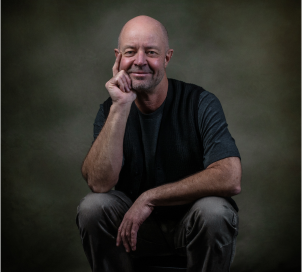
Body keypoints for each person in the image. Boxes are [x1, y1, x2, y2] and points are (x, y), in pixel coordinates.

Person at [76, 15, 241, 272]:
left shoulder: (200, 103)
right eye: (131, 52)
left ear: (167, 57)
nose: (140, 61)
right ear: (118, 57)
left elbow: (230, 177)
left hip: (190, 228)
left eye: (151, 52)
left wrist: (150, 198)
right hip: (132, 232)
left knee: (214, 212)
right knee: (92, 207)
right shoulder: (111, 108)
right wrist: (120, 106)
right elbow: (99, 183)